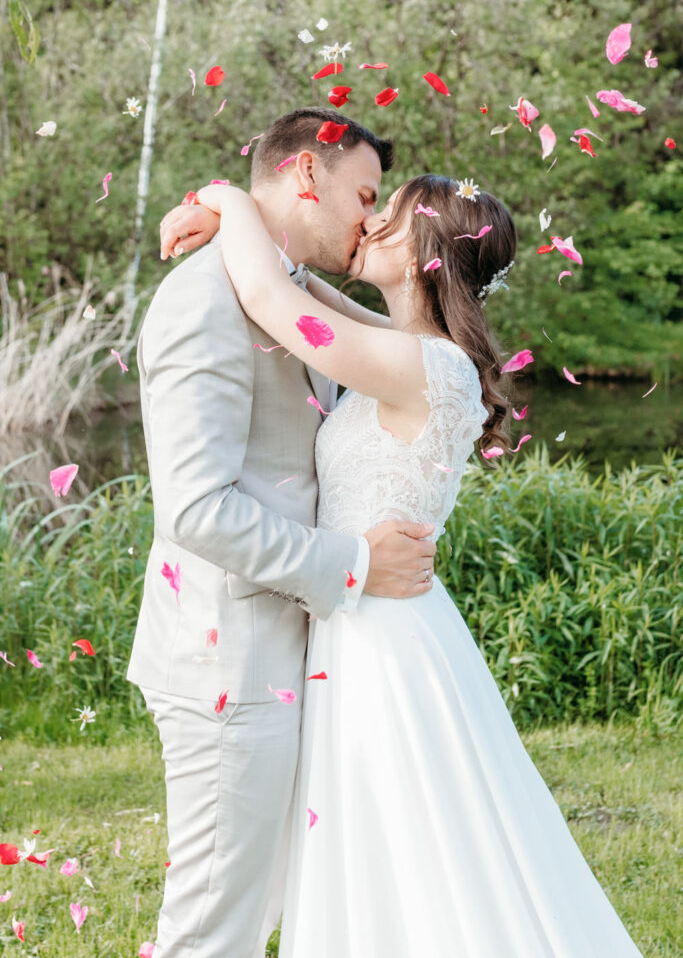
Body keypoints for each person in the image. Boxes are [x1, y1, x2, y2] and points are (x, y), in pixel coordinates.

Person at [174, 167, 645, 957]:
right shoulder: (405, 349)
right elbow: (301, 291)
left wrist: (224, 199)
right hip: (368, 617)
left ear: (424, 248)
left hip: (382, 639)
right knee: (378, 839)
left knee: (411, 842)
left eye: (385, 218)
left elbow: (269, 301)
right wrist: (246, 229)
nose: (366, 227)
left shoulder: (425, 367)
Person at [127, 107, 439, 958]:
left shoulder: (280, 286)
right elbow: (194, 509)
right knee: (213, 924)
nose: (368, 220)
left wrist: (225, 201)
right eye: (363, 195)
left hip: (285, 650)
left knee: (259, 902)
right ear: (308, 175)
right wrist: (352, 563)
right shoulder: (204, 301)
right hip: (227, 657)